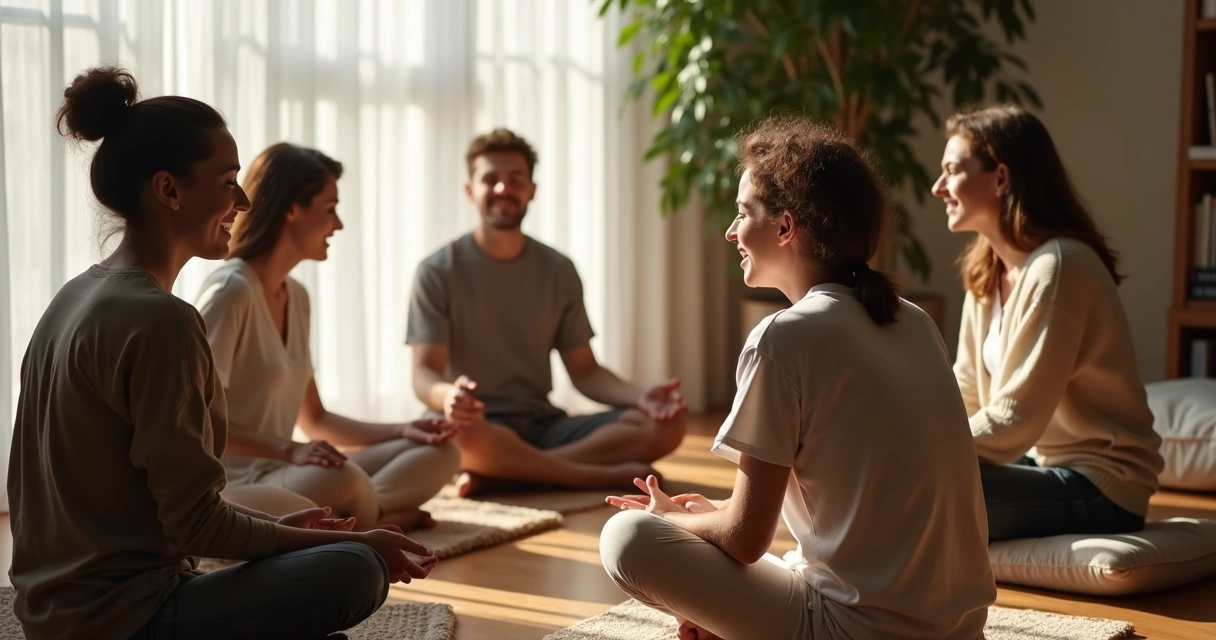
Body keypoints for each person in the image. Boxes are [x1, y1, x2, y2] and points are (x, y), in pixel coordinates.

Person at [7, 66, 437, 640]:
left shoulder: (74, 295)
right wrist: (350, 539)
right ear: (169, 190)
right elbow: (197, 525)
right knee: (356, 569)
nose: (242, 199)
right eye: (228, 179)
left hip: (50, 614)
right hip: (122, 619)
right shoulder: (163, 321)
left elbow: (152, 507)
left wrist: (278, 526)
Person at [599, 115, 995, 640]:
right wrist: (709, 513)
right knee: (774, 557)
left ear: (785, 227)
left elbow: (744, 540)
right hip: (961, 631)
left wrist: (670, 522)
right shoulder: (912, 319)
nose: (730, 231)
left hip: (858, 631)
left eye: (742, 214)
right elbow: (851, 506)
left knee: (626, 537)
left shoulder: (782, 338)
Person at [407, 128, 688, 496]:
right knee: (459, 437)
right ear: (470, 190)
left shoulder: (558, 269)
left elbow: (585, 372)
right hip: (478, 425)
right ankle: (582, 475)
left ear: (532, 189)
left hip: (543, 426)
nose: (503, 189)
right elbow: (423, 373)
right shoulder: (437, 271)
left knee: (666, 424)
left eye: (515, 180)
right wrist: (448, 398)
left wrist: (640, 396)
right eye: (490, 180)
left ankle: (511, 474)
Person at [196, 142, 460, 532]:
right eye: (330, 209)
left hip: (286, 470)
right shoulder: (230, 292)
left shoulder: (297, 297)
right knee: (344, 478)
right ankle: (374, 515)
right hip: (233, 484)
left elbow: (315, 418)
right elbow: (196, 421)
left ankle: (362, 515)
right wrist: (291, 449)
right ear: (291, 209)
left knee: (441, 450)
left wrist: (403, 429)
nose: (339, 225)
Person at [932, 104, 1164, 541]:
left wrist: (920, 451)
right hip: (1035, 464)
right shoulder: (987, 274)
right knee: (908, 475)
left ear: (1000, 178)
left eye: (951, 170)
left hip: (1100, 486)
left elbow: (1015, 419)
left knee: (922, 482)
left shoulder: (1060, 267)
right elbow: (963, 394)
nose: (937, 187)